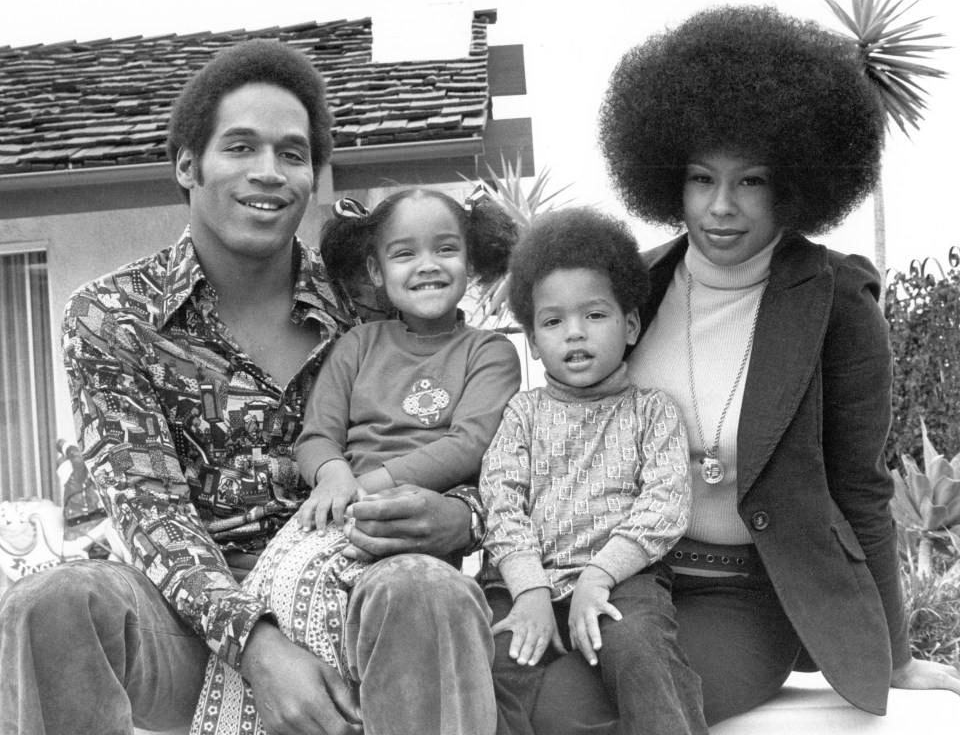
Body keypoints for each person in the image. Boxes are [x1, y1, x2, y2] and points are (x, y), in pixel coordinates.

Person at [0, 40, 494, 735]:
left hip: (354, 589)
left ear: (314, 179)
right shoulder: (113, 317)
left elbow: (484, 440)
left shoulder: (374, 303)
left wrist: (465, 517)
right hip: (191, 625)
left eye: (292, 155)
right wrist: (259, 648)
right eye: (240, 147)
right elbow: (152, 515)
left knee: (426, 588)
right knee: (53, 603)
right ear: (187, 164)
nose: (268, 172)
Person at [530, 5, 960, 734]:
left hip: (746, 598)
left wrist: (893, 655)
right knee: (528, 699)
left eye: (751, 181)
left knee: (584, 716)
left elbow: (860, 483)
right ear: (669, 177)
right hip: (625, 576)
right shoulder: (636, 287)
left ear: (794, 183)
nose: (721, 207)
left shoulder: (836, 303)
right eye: (701, 179)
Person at [192, 187, 523, 735]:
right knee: (287, 592)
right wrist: (334, 474)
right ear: (375, 269)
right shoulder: (359, 346)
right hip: (339, 508)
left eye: (446, 249)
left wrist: (371, 483)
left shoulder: (488, 353)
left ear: (471, 260)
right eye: (404, 254)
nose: (427, 266)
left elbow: (469, 443)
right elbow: (317, 435)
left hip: (414, 522)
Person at [480, 207, 707, 735]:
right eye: (554, 321)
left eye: (595, 315)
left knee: (640, 650)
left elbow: (665, 506)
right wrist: (529, 590)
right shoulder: (523, 415)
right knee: (487, 668)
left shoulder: (652, 411)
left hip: (622, 581)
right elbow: (501, 502)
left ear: (630, 325)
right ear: (534, 342)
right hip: (523, 584)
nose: (575, 334)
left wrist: (599, 577)